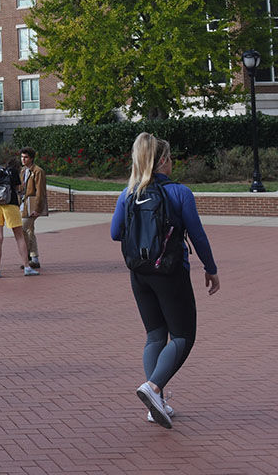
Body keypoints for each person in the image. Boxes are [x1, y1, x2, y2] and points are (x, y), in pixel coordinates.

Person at [110, 132, 220, 428]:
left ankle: (155, 404)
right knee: (183, 336)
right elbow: (197, 235)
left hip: (139, 273)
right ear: (162, 161)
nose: (173, 163)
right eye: (170, 158)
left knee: (155, 335)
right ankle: (154, 387)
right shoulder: (179, 193)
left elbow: (115, 232)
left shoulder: (128, 192)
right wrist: (210, 268)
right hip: (170, 273)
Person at [0, 157, 39, 279]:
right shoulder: (13, 172)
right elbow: (17, 189)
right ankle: (27, 267)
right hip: (10, 205)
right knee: (19, 237)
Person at [19, 147, 48, 269]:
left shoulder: (38, 171)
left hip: (32, 205)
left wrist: (38, 208)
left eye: (25, 157)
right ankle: (34, 259)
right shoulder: (22, 171)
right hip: (23, 204)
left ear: (31, 158)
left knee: (22, 229)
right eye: (21, 157)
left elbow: (40, 191)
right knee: (30, 230)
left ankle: (27, 257)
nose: (23, 159)